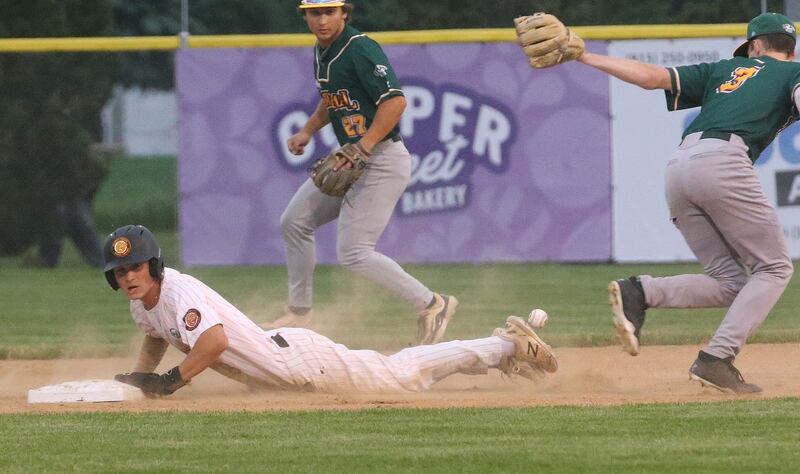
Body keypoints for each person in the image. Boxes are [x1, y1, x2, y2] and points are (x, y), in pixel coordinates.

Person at [578, 12, 796, 393]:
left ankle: (640, 292)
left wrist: (585, 56)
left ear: (756, 46)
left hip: (680, 167)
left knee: (732, 283)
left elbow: (651, 77)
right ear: (790, 51)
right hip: (725, 163)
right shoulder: (793, 72)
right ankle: (716, 359)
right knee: (775, 268)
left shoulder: (724, 69)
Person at [104, 224, 558, 396]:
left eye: (135, 266)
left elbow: (214, 341)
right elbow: (155, 333)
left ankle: (504, 346)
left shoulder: (177, 291)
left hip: (302, 364)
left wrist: (169, 382)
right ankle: (495, 354)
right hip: (281, 372)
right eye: (120, 270)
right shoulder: (145, 302)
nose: (128, 275)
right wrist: (140, 378)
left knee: (403, 375)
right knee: (400, 372)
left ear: (154, 265)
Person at [267, 0, 457, 346]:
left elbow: (395, 101)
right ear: (305, 16)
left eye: (329, 12)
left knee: (354, 253)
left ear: (344, 13)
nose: (321, 20)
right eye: (314, 13)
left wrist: (363, 146)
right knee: (293, 221)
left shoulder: (360, 49)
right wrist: (308, 130)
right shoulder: (323, 50)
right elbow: (332, 98)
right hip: (352, 158)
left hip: (382, 159)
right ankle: (300, 310)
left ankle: (433, 304)